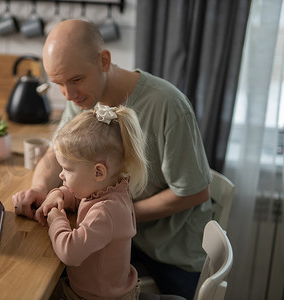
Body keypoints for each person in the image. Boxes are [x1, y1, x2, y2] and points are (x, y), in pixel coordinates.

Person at [12, 19, 212, 299]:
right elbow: (58, 154)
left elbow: (195, 192)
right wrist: (40, 190)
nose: (68, 95)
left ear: (104, 61)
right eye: (59, 84)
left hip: (168, 254)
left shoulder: (169, 106)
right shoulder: (82, 99)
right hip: (114, 237)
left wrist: (113, 215)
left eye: (76, 80)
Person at [45, 104, 147, 300]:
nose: (61, 174)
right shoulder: (111, 188)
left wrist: (55, 218)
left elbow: (70, 252)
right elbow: (82, 199)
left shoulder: (106, 211)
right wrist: (60, 194)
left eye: (67, 169)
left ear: (98, 172)